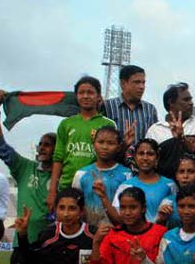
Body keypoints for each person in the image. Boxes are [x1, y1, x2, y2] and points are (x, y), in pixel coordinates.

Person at [0, 90, 56, 264]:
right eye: (40, 144)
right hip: (23, 244)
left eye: (48, 144)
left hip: (50, 247)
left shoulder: (64, 175)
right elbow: (0, 146)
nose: (41, 148)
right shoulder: (24, 168)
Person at [47, 76, 115, 210]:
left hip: (96, 186)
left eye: (90, 92)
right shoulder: (66, 124)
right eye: (81, 93)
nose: (85, 96)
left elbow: (112, 155)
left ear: (99, 97)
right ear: (76, 96)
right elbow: (58, 157)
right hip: (67, 185)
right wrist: (52, 190)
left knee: (94, 227)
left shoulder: (107, 124)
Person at [72, 126, 131, 227]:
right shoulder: (81, 174)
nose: (105, 147)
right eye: (101, 142)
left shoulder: (126, 175)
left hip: (117, 231)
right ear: (94, 144)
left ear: (119, 147)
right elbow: (74, 203)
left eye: (110, 143)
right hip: (88, 232)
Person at [146, 82, 195, 179]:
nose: (191, 103)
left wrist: (182, 139)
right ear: (171, 102)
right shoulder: (155, 130)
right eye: (186, 99)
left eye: (191, 99)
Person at [112, 139, 177, 223]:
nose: (145, 158)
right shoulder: (126, 186)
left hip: (162, 234)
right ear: (135, 157)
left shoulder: (169, 185)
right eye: (141, 153)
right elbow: (118, 215)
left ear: (157, 158)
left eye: (150, 154)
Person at [102, 65, 158, 145]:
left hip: (143, 156)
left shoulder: (150, 109)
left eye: (143, 82)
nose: (142, 87)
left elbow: (153, 140)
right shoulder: (108, 106)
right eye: (137, 82)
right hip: (115, 156)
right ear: (123, 84)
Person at [157, 154, 195, 229]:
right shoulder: (168, 203)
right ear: (176, 175)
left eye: (191, 172)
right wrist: (161, 220)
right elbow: (160, 230)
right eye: (181, 172)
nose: (185, 176)